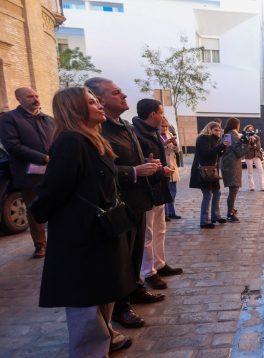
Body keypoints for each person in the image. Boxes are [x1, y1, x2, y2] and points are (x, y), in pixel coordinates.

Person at [30, 87, 136, 356]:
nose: (99, 105)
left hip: (101, 230)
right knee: (85, 299)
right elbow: (54, 188)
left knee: (103, 291)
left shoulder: (92, 139)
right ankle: (90, 350)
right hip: (80, 235)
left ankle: (105, 337)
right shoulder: (71, 141)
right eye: (91, 102)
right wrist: (38, 212)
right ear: (76, 109)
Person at [85, 77, 165, 329]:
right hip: (118, 203)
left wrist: (149, 165)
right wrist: (134, 171)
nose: (123, 96)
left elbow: (134, 159)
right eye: (116, 93)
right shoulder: (98, 130)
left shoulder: (126, 127)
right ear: (100, 100)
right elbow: (101, 169)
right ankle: (121, 306)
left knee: (135, 251)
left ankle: (136, 288)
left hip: (138, 200)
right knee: (120, 257)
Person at [133, 98, 183, 290]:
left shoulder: (154, 132)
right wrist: (158, 169)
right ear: (153, 114)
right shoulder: (136, 133)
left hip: (159, 186)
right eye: (161, 113)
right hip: (146, 190)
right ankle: (149, 272)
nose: (163, 116)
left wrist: (162, 170)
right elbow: (140, 161)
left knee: (160, 229)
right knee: (148, 233)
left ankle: (160, 263)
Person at [0, 87, 54, 258]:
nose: (35, 98)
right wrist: (42, 158)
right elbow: (12, 145)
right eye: (30, 96)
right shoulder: (10, 119)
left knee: (58, 206)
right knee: (34, 208)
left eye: (37, 95)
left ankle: (60, 240)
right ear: (19, 99)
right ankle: (40, 245)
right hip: (30, 173)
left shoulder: (48, 119)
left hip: (53, 170)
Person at [190, 121, 229, 228]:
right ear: (209, 129)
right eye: (215, 130)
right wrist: (221, 145)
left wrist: (224, 147)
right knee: (208, 195)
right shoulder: (203, 138)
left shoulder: (216, 139)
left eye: (219, 130)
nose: (218, 132)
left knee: (217, 193)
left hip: (212, 171)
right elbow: (207, 153)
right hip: (204, 171)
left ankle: (215, 216)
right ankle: (204, 221)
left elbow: (217, 154)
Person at [220, 117, 249, 222]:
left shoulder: (227, 134)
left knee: (232, 189)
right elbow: (239, 153)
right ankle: (230, 214)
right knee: (234, 189)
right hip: (232, 166)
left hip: (226, 164)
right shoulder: (233, 135)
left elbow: (226, 149)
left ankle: (231, 209)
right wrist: (247, 144)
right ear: (236, 125)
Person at [161, 118, 181, 221]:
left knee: (173, 191)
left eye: (166, 126)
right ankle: (166, 214)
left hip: (172, 165)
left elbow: (177, 151)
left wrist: (175, 143)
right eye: (162, 126)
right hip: (164, 165)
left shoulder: (169, 134)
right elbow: (156, 148)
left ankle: (172, 212)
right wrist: (164, 143)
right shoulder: (156, 135)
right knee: (166, 191)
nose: (164, 128)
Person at [243, 124, 264, 192]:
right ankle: (251, 187)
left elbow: (258, 147)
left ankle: (263, 187)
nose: (250, 131)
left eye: (251, 129)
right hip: (248, 156)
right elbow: (245, 147)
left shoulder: (257, 137)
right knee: (250, 171)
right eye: (249, 130)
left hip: (256, 155)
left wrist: (253, 143)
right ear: (246, 130)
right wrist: (249, 142)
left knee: (260, 170)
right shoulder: (244, 137)